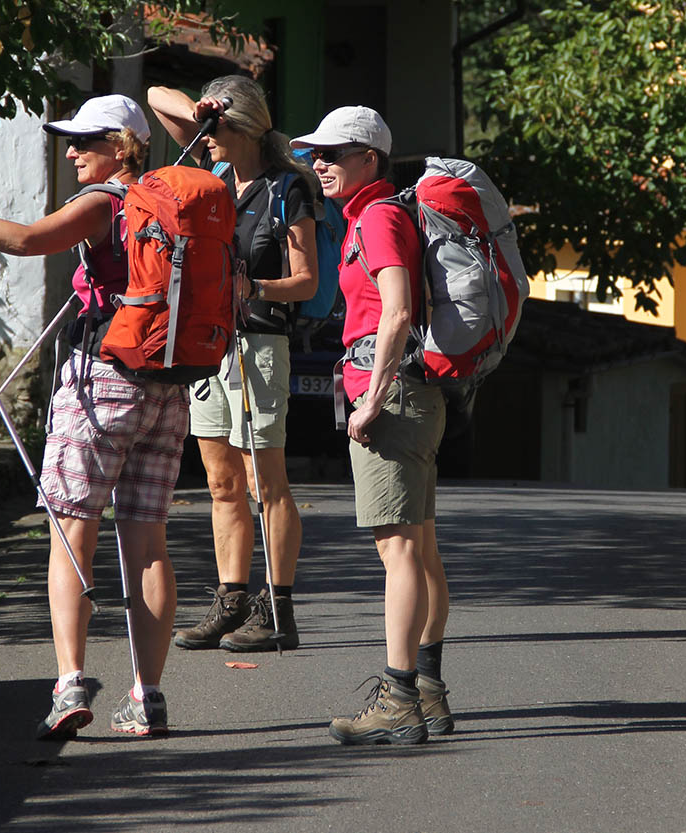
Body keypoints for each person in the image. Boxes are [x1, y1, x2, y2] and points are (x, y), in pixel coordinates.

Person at [0, 94, 184, 738]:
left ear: (123, 146)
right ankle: (148, 695)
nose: (71, 150)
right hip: (168, 386)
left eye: (85, 141)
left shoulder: (106, 201)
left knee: (72, 531)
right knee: (147, 540)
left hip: (103, 378)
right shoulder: (175, 204)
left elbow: (26, 240)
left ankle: (71, 682)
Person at [291, 107, 453, 745]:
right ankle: (429, 691)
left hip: (391, 396)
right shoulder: (373, 215)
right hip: (412, 396)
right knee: (422, 548)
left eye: (334, 153)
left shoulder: (381, 217)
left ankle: (397, 696)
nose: (319, 163)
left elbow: (397, 313)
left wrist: (372, 398)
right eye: (315, 154)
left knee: (400, 552)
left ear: (371, 160)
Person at [147, 76, 316, 654]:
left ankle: (279, 608)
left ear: (242, 126)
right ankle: (232, 600)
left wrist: (256, 287)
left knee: (264, 482)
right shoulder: (212, 179)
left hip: (260, 345)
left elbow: (308, 281)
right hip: (210, 347)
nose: (204, 139)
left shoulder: (286, 189)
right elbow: (153, 96)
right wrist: (203, 112)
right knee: (221, 484)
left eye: (214, 130)